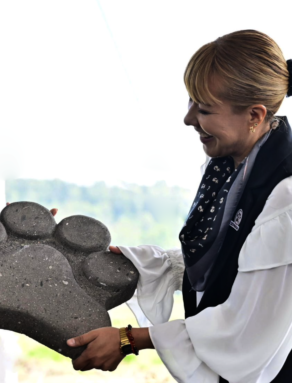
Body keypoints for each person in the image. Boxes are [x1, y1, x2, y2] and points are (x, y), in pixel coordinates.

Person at [67, 30, 292, 382]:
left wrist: (129, 339)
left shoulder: (286, 196)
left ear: (254, 115)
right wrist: (144, 264)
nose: (188, 119)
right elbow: (229, 259)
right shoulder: (229, 166)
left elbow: (245, 325)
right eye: (190, 102)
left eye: (204, 109)